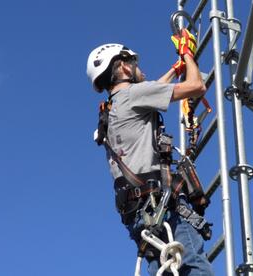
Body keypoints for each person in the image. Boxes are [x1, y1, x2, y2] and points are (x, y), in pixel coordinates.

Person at [86, 29, 214, 275]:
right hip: (162, 206)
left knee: (164, 268)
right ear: (123, 67)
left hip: (140, 214)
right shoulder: (133, 95)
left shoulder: (110, 109)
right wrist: (187, 54)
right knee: (191, 265)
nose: (139, 67)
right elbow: (196, 86)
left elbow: (152, 90)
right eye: (134, 63)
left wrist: (175, 70)